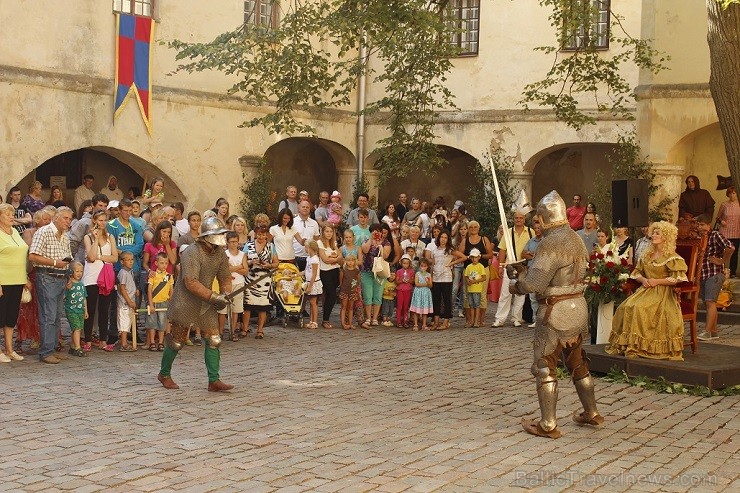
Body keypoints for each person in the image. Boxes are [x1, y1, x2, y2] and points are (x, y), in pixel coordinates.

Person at [508, 190, 604, 439]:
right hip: (578, 305)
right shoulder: (575, 237)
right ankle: (591, 412)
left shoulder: (551, 242)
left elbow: (535, 284)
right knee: (578, 362)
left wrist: (516, 279)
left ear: (545, 216)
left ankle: (548, 423)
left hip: (554, 310)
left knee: (544, 366)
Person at [157, 216, 233, 392]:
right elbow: (190, 282)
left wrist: (226, 293)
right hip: (185, 301)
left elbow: (225, 277)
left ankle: (214, 380)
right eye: (218, 233)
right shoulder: (192, 252)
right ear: (207, 236)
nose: (221, 237)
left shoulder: (220, 253)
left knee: (214, 339)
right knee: (177, 341)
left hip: (205, 303)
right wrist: (214, 297)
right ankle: (164, 374)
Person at [606, 221, 688, 360]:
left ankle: (642, 346)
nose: (653, 235)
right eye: (653, 233)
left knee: (639, 308)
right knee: (625, 306)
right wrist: (643, 280)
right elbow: (636, 272)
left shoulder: (672, 257)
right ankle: (627, 344)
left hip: (662, 293)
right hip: (645, 289)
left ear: (666, 237)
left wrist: (657, 281)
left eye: (657, 233)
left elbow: (679, 278)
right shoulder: (647, 254)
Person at [28, 206, 75, 364]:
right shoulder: (44, 231)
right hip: (47, 276)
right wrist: (55, 262)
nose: (68, 222)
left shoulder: (65, 236)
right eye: (65, 218)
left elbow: (67, 257)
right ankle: (46, 351)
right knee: (48, 316)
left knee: (56, 317)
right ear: (56, 218)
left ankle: (53, 348)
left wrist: (68, 275)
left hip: (61, 277)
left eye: (70, 219)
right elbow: (33, 256)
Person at [81, 209, 118, 352]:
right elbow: (90, 256)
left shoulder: (110, 237)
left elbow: (114, 258)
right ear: (95, 221)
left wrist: (100, 257)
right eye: (100, 220)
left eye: (105, 220)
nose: (103, 223)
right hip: (91, 276)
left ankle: (103, 339)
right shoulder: (88, 237)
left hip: (106, 276)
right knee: (90, 309)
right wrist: (96, 238)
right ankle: (88, 339)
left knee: (104, 309)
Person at [696, 215, 734, 341]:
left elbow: (730, 247)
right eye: (698, 225)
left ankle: (707, 331)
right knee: (708, 303)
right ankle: (714, 331)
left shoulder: (715, 235)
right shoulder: (699, 238)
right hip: (703, 273)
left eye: (702, 225)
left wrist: (722, 260)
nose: (700, 227)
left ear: (708, 225)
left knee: (710, 302)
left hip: (714, 273)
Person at [492, 211, 533, 328]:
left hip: (524, 266)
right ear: (514, 220)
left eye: (521, 218)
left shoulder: (530, 232)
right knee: (505, 293)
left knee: (520, 293)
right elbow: (502, 250)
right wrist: (501, 266)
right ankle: (500, 319)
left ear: (524, 219)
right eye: (516, 218)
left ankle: (516, 318)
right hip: (510, 265)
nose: (519, 220)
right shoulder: (508, 232)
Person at [0, 203, 30, 362]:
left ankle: (10, 349)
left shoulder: (15, 233)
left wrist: (24, 277)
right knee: (0, 315)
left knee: (11, 316)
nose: (12, 217)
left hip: (17, 279)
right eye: (7, 215)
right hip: (2, 280)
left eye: (12, 214)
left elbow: (21, 255)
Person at [243, 225, 278, 339]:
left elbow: (276, 263)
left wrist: (269, 265)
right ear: (255, 234)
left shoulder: (271, 246)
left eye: (263, 234)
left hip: (264, 279)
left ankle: (260, 330)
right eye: (259, 234)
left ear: (267, 235)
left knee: (262, 306)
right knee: (247, 305)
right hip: (250, 278)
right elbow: (242, 260)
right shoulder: (248, 245)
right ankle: (245, 328)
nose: (261, 237)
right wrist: (250, 262)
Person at [426, 230, 466, 330]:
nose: (443, 239)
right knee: (436, 300)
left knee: (446, 300)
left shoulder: (449, 250)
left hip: (446, 277)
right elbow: (433, 264)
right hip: (436, 276)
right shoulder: (435, 250)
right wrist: (430, 276)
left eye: (445, 238)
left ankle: (446, 321)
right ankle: (436, 322)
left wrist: (452, 264)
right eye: (441, 237)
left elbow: (463, 257)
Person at [457, 220, 493, 326]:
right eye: (471, 227)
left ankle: (481, 320)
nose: (473, 229)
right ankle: (469, 320)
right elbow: (460, 254)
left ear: (478, 228)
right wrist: (469, 257)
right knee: (467, 295)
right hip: (468, 270)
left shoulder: (484, 239)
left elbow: (490, 254)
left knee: (482, 295)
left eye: (475, 227)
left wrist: (480, 256)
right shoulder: (465, 241)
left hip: (482, 269)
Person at [359, 224, 391, 328]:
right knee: (368, 295)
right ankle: (368, 317)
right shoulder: (366, 240)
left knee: (377, 295)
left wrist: (380, 245)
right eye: (373, 231)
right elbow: (365, 250)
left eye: (377, 231)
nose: (375, 233)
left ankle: (375, 318)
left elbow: (386, 255)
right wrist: (371, 240)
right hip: (367, 271)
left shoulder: (386, 242)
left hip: (380, 272)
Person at [219, 232, 247, 341]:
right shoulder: (224, 254)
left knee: (236, 309)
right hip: (226, 284)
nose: (233, 244)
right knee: (223, 310)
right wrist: (239, 266)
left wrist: (233, 268)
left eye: (235, 241)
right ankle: (220, 331)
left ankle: (233, 330)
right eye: (231, 242)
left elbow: (245, 271)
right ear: (227, 242)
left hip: (239, 283)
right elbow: (225, 269)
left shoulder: (242, 255)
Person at [145, 252, 173, 351]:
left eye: (166, 263)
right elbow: (149, 289)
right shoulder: (153, 275)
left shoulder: (169, 276)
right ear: (156, 263)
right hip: (154, 302)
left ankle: (161, 342)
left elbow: (171, 290)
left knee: (162, 323)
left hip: (164, 302)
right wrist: (151, 304)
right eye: (161, 263)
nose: (164, 265)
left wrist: (171, 302)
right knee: (152, 323)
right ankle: (152, 342)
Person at [317, 224, 342, 329]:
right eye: (327, 231)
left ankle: (326, 316)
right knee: (332, 295)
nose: (329, 234)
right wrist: (334, 259)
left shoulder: (334, 243)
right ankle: (325, 319)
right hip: (325, 271)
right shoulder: (319, 243)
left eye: (331, 232)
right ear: (323, 232)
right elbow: (324, 259)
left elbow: (340, 256)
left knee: (330, 295)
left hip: (335, 271)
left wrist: (334, 259)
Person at [521, 220, 543, 328]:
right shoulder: (531, 241)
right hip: (531, 270)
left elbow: (543, 256)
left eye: (539, 228)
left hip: (542, 271)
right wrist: (533, 255)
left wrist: (532, 254)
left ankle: (542, 319)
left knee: (541, 297)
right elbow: (523, 254)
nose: (537, 230)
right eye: (536, 228)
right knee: (532, 297)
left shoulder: (545, 242)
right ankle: (535, 319)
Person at [63, 261, 87, 357]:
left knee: (78, 329)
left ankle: (73, 346)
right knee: (76, 327)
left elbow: (84, 298)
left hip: (80, 310)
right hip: (71, 310)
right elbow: (64, 295)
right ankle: (78, 347)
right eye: (77, 271)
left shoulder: (81, 285)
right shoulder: (69, 284)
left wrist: (86, 310)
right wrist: (67, 287)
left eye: (81, 271)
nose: (79, 273)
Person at [117, 251, 139, 351]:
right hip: (125, 303)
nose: (131, 262)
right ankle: (124, 343)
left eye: (132, 260)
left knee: (128, 322)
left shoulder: (130, 271)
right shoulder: (123, 273)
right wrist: (129, 301)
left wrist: (135, 290)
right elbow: (122, 288)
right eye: (128, 260)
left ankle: (125, 341)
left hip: (130, 300)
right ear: (122, 261)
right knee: (124, 323)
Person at [716, 186, 740, 277]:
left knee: (734, 253)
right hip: (725, 232)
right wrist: (721, 221)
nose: (732, 195)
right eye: (730, 193)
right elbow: (718, 217)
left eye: (734, 193)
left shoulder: (739, 204)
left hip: (737, 233)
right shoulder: (724, 204)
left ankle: (732, 272)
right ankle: (721, 271)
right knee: (723, 252)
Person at [292, 200, 320, 271]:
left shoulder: (314, 223)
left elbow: (316, 240)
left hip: (310, 257)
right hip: (295, 257)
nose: (305, 208)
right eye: (303, 207)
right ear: (299, 208)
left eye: (307, 207)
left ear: (310, 209)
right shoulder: (292, 222)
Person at [464, 248, 487, 328]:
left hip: (477, 289)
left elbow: (484, 277)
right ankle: (472, 321)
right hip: (470, 289)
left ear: (479, 257)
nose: (474, 259)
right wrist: (468, 281)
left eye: (475, 257)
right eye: (472, 257)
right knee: (471, 305)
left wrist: (473, 282)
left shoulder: (480, 266)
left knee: (477, 305)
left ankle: (476, 321)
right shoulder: (468, 267)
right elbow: (466, 276)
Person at [302, 240, 322, 329]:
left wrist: (310, 286)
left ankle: (315, 321)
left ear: (310, 248)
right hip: (309, 282)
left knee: (313, 302)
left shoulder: (315, 259)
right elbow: (306, 271)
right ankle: (311, 320)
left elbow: (314, 273)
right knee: (311, 302)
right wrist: (296, 274)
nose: (305, 249)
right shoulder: (308, 258)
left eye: (306, 247)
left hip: (313, 283)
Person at [410, 257, 434, 331]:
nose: (423, 268)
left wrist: (428, 282)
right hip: (418, 292)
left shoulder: (429, 275)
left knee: (425, 310)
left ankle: (424, 324)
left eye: (425, 266)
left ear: (427, 267)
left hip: (426, 293)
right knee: (417, 309)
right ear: (419, 266)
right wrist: (425, 284)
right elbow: (417, 284)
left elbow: (431, 285)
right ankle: (416, 324)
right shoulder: (417, 274)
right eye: (422, 266)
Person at [338, 255, 361, 330]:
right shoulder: (343, 270)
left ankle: (350, 323)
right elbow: (341, 281)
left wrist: (354, 288)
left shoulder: (356, 271)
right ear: (346, 261)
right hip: (344, 290)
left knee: (351, 308)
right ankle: (343, 323)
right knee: (344, 307)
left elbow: (358, 280)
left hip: (353, 291)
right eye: (348, 260)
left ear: (354, 261)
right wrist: (342, 288)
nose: (350, 262)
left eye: (352, 260)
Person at [394, 255, 414, 328]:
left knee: (406, 306)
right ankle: (398, 321)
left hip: (408, 290)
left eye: (407, 263)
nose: (405, 265)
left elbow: (413, 281)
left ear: (409, 264)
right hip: (400, 290)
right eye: (404, 263)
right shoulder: (399, 271)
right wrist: (402, 280)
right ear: (401, 263)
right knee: (399, 306)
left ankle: (405, 321)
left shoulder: (411, 271)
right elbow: (396, 281)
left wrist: (409, 280)